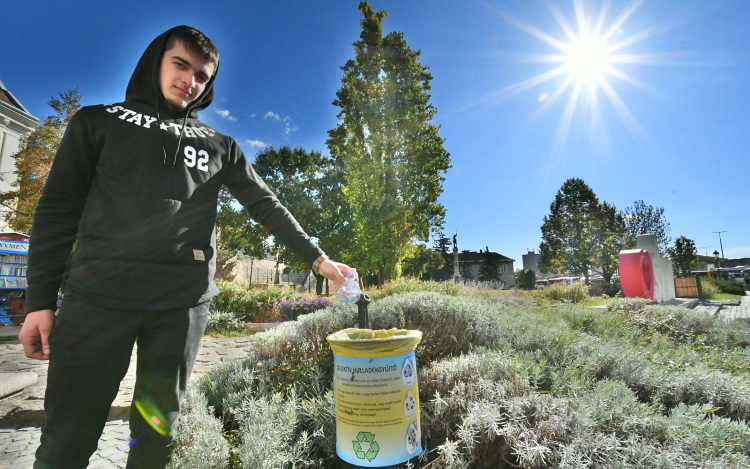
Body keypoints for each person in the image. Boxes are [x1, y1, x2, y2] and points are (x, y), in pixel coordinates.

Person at [18, 25, 349, 469]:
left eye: (202, 75)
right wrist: (39, 301)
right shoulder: (97, 121)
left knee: (157, 436)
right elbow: (57, 211)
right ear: (156, 60)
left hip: (181, 306)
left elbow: (265, 204)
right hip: (97, 299)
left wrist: (318, 257)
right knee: (66, 439)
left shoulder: (220, 146)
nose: (190, 81)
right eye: (181, 65)